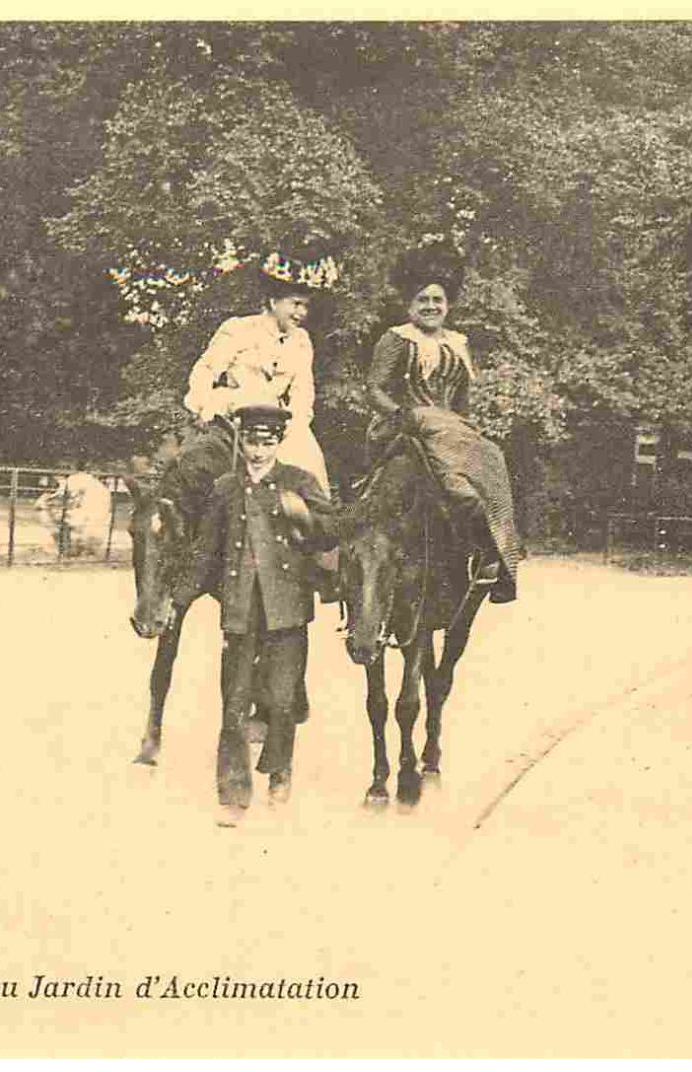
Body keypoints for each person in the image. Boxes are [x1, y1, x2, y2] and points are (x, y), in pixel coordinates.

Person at [172, 397, 339, 827]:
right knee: (233, 705)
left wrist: (302, 515)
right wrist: (178, 600)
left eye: (266, 442)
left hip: (286, 611)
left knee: (282, 703)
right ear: (242, 442)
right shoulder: (226, 488)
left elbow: (332, 532)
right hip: (241, 610)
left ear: (279, 442)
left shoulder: (299, 481)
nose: (258, 450)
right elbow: (205, 551)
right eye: (250, 441)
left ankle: (279, 770)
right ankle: (233, 795)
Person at [366, 244, 521, 603]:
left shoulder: (458, 343)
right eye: (423, 300)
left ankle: (498, 556)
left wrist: (466, 430)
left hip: (450, 428)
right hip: (406, 424)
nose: (431, 306)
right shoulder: (397, 339)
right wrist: (400, 415)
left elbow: (462, 398)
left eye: (438, 300)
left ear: (448, 305)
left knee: (493, 455)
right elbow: (373, 388)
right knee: (453, 484)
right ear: (410, 305)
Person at [183, 252, 331, 494]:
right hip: (233, 413)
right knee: (197, 467)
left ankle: (315, 524)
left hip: (278, 418)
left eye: (306, 306)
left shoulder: (301, 340)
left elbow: (303, 390)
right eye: (295, 304)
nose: (302, 313)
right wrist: (202, 406)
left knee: (309, 463)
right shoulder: (238, 328)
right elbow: (207, 369)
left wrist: (297, 423)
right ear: (273, 302)